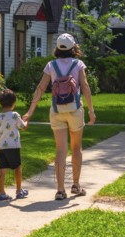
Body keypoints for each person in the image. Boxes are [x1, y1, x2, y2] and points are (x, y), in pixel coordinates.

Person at [23, 33, 96, 200]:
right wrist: (91, 110)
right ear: (73, 48)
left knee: (60, 150)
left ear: (57, 48)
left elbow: (40, 88)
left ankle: (60, 190)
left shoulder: (50, 65)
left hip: (56, 111)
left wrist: (30, 111)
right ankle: (76, 185)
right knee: (76, 148)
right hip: (75, 110)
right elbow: (84, 86)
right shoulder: (78, 64)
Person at [0, 89, 29, 201]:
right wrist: (26, 120)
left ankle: (2, 193)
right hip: (13, 147)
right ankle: (19, 190)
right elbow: (23, 127)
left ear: (0, 103)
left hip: (0, 148)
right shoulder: (15, 115)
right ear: (13, 103)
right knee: (17, 167)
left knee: (2, 168)